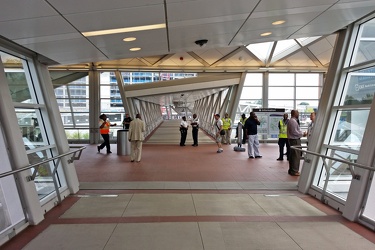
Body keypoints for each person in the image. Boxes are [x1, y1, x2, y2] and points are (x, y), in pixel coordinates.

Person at [287, 110, 307, 176]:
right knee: (295, 155)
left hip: (293, 139)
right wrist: (302, 134)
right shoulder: (293, 121)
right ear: (294, 114)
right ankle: (294, 171)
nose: (298, 114)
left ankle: (292, 170)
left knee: (293, 155)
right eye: (297, 113)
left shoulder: (292, 121)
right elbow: (294, 132)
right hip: (295, 140)